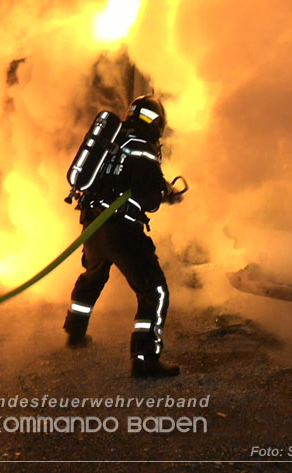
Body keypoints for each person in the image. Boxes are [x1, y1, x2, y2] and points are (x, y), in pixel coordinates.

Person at [63, 95, 183, 378]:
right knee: (154, 291)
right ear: (156, 122)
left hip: (93, 227)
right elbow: (148, 195)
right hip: (121, 231)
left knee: (92, 277)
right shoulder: (143, 148)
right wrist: (166, 194)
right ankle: (144, 360)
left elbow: (118, 181)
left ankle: (75, 333)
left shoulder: (114, 143)